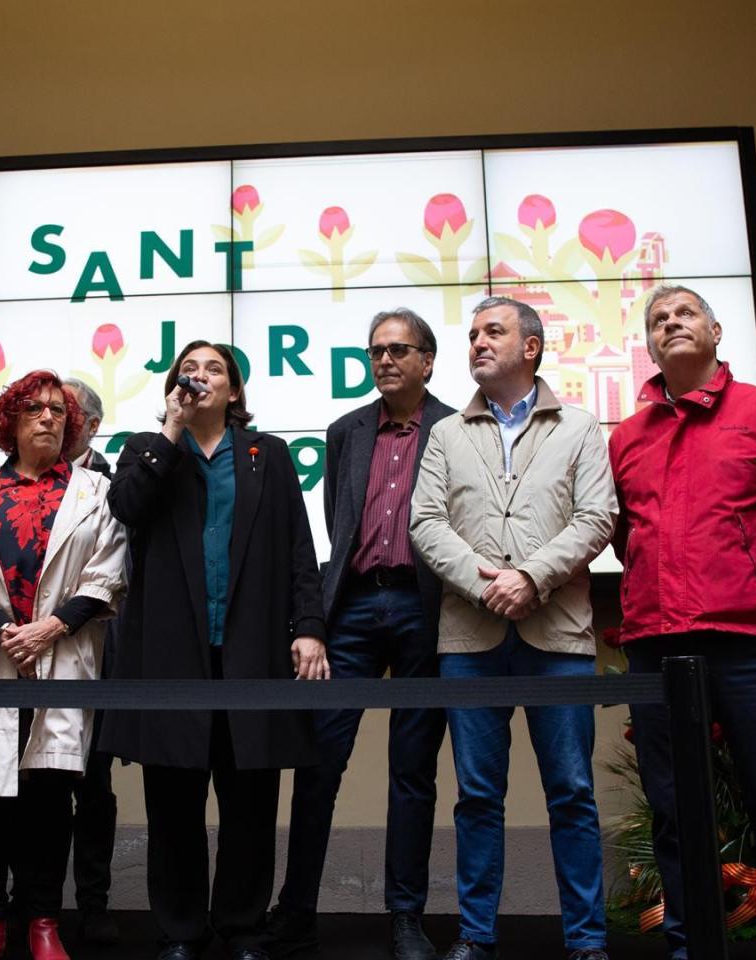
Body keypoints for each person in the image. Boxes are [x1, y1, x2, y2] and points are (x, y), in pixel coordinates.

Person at [608, 285, 756, 960]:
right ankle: (688, 946)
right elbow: (626, 539)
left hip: (754, 641)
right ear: (648, 345)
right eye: (657, 320)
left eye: (684, 314)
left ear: (716, 329)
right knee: (674, 811)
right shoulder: (626, 436)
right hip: (655, 645)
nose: (670, 324)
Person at [101, 340, 330, 960]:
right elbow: (128, 509)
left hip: (251, 649)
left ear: (235, 392)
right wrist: (169, 431)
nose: (200, 376)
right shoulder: (147, 452)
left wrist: (308, 625)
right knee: (172, 799)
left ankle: (240, 926)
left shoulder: (269, 455)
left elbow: (299, 550)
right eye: (189, 368)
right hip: (172, 653)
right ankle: (179, 930)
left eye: (215, 370)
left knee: (251, 798)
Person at [409, 297, 617, 960]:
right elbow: (425, 524)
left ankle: (586, 942)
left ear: (531, 347)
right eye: (471, 334)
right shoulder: (445, 435)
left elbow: (597, 517)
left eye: (492, 332)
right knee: (476, 797)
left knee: (573, 794)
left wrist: (530, 576)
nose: (476, 343)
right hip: (469, 642)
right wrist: (484, 582)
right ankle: (477, 937)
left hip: (558, 639)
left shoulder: (580, 426)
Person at [265, 308, 452, 960]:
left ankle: (405, 920)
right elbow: (338, 532)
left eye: (399, 350)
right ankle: (296, 912)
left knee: (413, 771)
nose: (385, 361)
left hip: (424, 612)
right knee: (318, 765)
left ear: (428, 360)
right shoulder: (346, 431)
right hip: (351, 612)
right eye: (376, 351)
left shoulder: (457, 429)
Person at [0, 370, 128, 960]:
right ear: (9, 424)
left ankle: (44, 919)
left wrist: (50, 628)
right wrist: (7, 633)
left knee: (50, 797)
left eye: (57, 411)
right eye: (33, 410)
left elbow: (108, 574)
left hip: (63, 655)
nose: (47, 418)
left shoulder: (96, 492)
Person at [59, 376, 119, 946]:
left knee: (92, 785)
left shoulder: (115, 481)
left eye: (67, 411)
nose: (53, 418)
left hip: (96, 650)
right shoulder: (17, 476)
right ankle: (35, 907)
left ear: (94, 426)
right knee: (34, 785)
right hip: (27, 650)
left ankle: (93, 904)